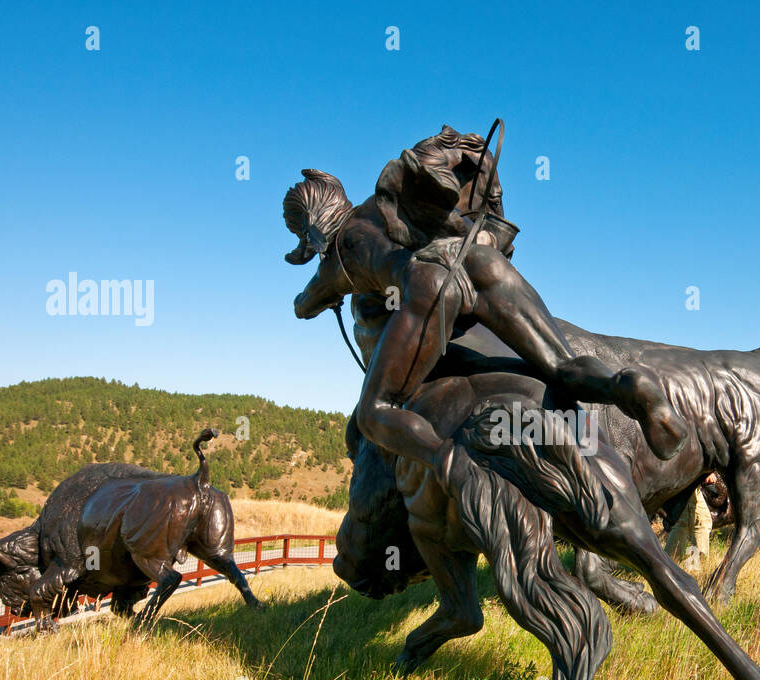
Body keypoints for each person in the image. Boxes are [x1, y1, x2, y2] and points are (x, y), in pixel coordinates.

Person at [283, 129, 687, 498]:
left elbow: (304, 306)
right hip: (480, 261)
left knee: (374, 414)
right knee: (563, 366)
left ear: (310, 229)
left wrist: (322, 289)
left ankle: (449, 463)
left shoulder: (337, 255)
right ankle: (628, 385)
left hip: (432, 285)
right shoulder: (380, 203)